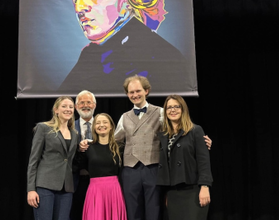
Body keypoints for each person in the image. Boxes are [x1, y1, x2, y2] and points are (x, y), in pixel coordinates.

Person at [95, 75, 210, 220]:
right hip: (130, 171)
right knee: (133, 211)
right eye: (131, 92)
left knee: (153, 211)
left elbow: (176, 133)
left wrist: (201, 141)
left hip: (154, 168)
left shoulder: (161, 112)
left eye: (138, 91)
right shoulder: (124, 117)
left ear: (146, 91)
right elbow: (115, 143)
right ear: (127, 94)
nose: (135, 95)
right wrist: (93, 146)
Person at [58, 0, 196, 95]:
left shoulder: (163, 57)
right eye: (76, 0)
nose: (80, 8)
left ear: (127, 2)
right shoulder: (91, 54)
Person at [156, 95, 213, 220]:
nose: (173, 110)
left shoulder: (195, 131)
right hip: (172, 193)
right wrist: (166, 192)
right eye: (169, 107)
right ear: (165, 112)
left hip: (193, 191)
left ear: (183, 109)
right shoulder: (163, 135)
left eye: (177, 106)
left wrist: (204, 186)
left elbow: (204, 162)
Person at [27, 96, 79, 220]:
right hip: (45, 185)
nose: (68, 109)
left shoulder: (75, 134)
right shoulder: (44, 128)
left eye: (71, 107)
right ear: (56, 110)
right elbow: (33, 160)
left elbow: (70, 160)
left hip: (66, 187)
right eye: (64, 106)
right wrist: (31, 189)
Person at [80, 113, 127, 220]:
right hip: (95, 191)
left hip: (114, 190)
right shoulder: (87, 147)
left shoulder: (120, 147)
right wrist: (79, 149)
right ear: (94, 127)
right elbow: (79, 167)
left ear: (111, 126)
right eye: (98, 123)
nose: (101, 125)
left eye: (105, 122)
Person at [71, 90, 97, 220]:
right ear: (76, 107)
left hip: (97, 181)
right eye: (81, 103)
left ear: (94, 105)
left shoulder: (103, 126)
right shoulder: (69, 127)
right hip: (75, 181)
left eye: (89, 102)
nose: (85, 105)